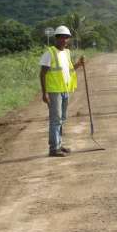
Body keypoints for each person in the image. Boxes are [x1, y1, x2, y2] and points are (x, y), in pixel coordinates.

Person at [39, 25, 85, 157]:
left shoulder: (66, 53)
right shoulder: (50, 52)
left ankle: (58, 144)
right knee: (56, 119)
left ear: (69, 39)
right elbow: (42, 74)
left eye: (66, 37)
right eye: (61, 37)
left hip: (65, 90)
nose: (64, 40)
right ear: (56, 38)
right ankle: (54, 148)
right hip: (54, 91)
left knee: (62, 118)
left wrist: (79, 64)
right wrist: (44, 93)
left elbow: (69, 71)